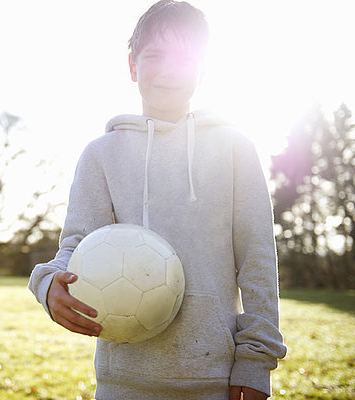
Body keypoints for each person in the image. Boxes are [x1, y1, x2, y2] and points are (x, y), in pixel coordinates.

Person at [28, 1, 287, 399]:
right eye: (154, 57)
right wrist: (48, 284)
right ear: (132, 66)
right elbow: (77, 249)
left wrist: (255, 362)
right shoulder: (101, 155)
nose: (168, 71)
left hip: (216, 379)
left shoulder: (235, 149)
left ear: (203, 69)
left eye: (184, 59)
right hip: (122, 381)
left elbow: (257, 262)